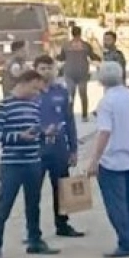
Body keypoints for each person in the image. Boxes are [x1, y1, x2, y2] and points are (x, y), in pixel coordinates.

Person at [0, 69, 57, 258]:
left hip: (33, 162)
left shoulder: (34, 106)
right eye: (35, 88)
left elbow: (35, 130)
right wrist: (18, 136)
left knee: (33, 204)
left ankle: (35, 240)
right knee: (4, 204)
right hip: (12, 164)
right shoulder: (3, 106)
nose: (37, 93)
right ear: (25, 82)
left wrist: (44, 133)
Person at [85, 61, 129, 258]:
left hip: (112, 159)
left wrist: (94, 159)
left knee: (116, 204)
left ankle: (125, 242)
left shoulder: (106, 103)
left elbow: (104, 132)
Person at [32, 55, 84, 239]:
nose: (46, 72)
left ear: (55, 69)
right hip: (37, 150)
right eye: (42, 68)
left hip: (59, 150)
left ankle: (62, 225)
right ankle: (33, 231)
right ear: (35, 70)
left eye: (49, 68)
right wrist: (41, 131)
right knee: (33, 191)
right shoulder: (30, 94)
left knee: (61, 189)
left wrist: (73, 149)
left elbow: (69, 121)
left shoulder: (61, 92)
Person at [57, 25, 100, 120]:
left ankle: (69, 115)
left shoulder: (66, 45)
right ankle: (84, 116)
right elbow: (93, 56)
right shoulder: (86, 45)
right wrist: (99, 58)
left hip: (69, 72)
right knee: (83, 94)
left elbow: (61, 57)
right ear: (80, 33)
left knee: (70, 95)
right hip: (83, 72)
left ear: (72, 33)